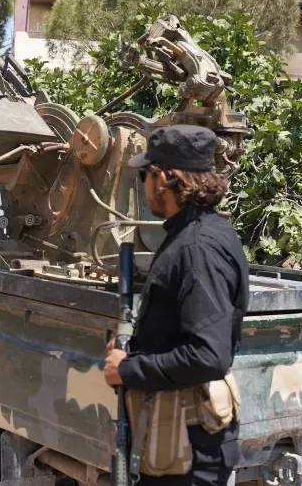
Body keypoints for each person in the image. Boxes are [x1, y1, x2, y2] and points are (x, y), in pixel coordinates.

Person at [103, 124, 250, 486]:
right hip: (177, 443)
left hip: (190, 455)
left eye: (144, 176)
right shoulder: (195, 234)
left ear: (165, 178)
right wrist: (131, 350)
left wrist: (129, 370)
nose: (144, 186)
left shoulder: (197, 248)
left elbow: (207, 356)